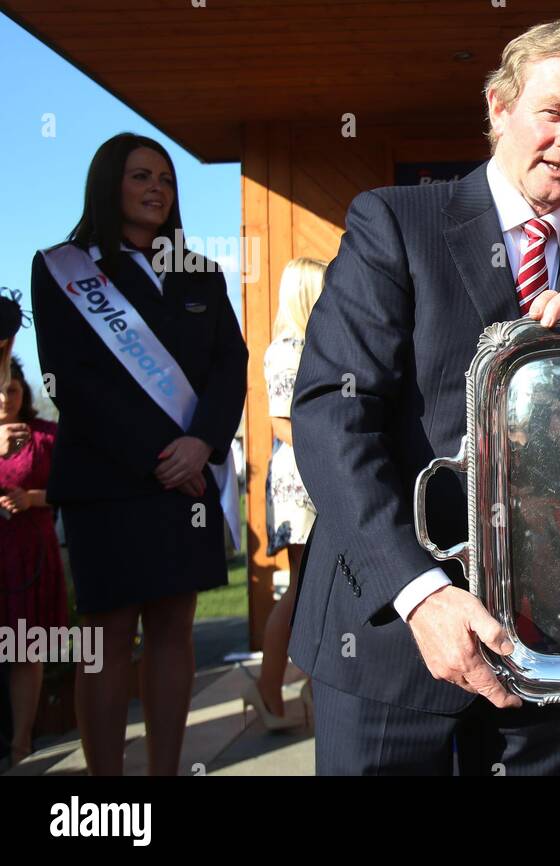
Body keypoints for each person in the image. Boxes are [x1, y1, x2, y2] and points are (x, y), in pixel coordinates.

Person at [289, 20, 560, 775]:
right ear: (499, 108)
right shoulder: (394, 223)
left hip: (544, 649)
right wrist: (421, 594)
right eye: (554, 111)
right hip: (386, 631)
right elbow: (331, 416)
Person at [31, 133, 248, 776]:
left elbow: (228, 369)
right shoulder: (62, 268)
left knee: (174, 631)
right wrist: (163, 455)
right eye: (140, 177)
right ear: (108, 185)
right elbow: (69, 381)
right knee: (106, 641)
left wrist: (201, 443)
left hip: (186, 484)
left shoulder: (201, 273)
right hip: (110, 481)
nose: (156, 188)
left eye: (166, 179)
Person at [244, 257, 328, 730]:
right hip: (301, 479)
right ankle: (268, 688)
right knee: (300, 588)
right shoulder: (286, 349)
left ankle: (308, 685)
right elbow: (282, 422)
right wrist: (331, 456)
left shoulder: (315, 344)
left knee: (314, 588)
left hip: (314, 472)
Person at [0, 357, 67, 766]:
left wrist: (33, 498)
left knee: (27, 649)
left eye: (11, 388)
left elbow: (68, 487)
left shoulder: (46, 436)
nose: (5, 397)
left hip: (31, 556)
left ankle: (21, 744)